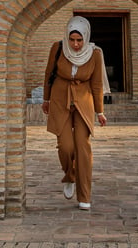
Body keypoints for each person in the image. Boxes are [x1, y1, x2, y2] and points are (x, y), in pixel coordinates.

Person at [42, 16, 110, 210]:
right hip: (59, 100)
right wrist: (45, 99)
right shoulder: (57, 48)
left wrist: (100, 111)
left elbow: (96, 84)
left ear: (86, 37)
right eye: (72, 39)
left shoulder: (95, 53)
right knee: (65, 146)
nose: (76, 44)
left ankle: (85, 196)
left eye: (79, 40)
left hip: (84, 103)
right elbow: (48, 74)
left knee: (82, 148)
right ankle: (70, 175)